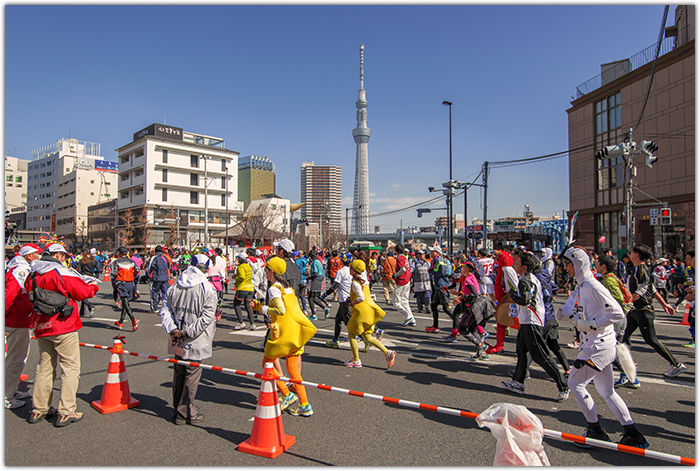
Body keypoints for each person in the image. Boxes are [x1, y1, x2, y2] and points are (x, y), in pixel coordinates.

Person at [558, 246, 649, 449]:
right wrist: (567, 316)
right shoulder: (582, 285)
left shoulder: (591, 285)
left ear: (578, 263)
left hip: (597, 346)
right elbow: (585, 314)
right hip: (597, 344)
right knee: (606, 391)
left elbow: (617, 313)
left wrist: (590, 325)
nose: (565, 268)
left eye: (567, 263)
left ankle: (596, 431)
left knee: (575, 384)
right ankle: (633, 434)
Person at [25, 243, 100, 426]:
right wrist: (93, 286)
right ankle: (67, 411)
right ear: (58, 255)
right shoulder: (61, 272)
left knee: (44, 366)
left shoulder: (33, 273)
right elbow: (82, 292)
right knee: (70, 367)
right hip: (63, 324)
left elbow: (29, 294)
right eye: (64, 256)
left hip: (41, 324)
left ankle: (39, 409)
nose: (65, 259)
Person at [251, 256, 317, 417]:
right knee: (293, 369)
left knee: (267, 363)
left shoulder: (274, 288)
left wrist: (262, 308)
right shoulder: (287, 287)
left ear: (271, 271)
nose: (265, 272)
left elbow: (280, 310)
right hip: (295, 333)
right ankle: (305, 404)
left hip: (283, 333)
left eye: (266, 269)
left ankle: (287, 395)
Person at [501, 250, 569, 402]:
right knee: (522, 352)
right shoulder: (531, 278)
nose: (515, 265)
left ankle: (563, 385)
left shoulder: (526, 280)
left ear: (525, 267)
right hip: (528, 320)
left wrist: (512, 294)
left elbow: (525, 300)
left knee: (541, 355)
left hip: (532, 320)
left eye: (517, 263)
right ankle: (518, 383)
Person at [159, 253, 218, 424]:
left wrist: (173, 329)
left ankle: (177, 406)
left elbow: (165, 309)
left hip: (177, 336)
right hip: (196, 338)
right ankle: (185, 411)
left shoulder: (175, 286)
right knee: (192, 374)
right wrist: (187, 332)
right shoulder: (207, 288)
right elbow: (207, 317)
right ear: (206, 268)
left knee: (179, 371)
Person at [621, 244, 686, 377]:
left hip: (643, 310)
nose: (629, 252)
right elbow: (653, 289)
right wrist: (665, 305)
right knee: (622, 337)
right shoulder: (637, 269)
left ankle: (676, 364)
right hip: (635, 311)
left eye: (632, 251)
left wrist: (628, 302)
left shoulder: (642, 269)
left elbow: (644, 288)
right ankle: (626, 366)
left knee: (651, 340)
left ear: (637, 255)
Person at [5, 243, 42, 409]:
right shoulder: (20, 270)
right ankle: (6, 394)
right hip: (17, 320)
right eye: (37, 254)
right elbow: (9, 294)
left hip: (20, 319)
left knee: (17, 357)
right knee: (15, 359)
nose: (39, 256)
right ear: (29, 256)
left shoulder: (19, 267)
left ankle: (10, 390)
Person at [344, 259, 396, 369]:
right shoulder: (364, 280)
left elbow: (361, 298)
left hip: (361, 313)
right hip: (370, 311)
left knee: (352, 335)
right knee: (367, 336)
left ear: (354, 271)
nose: (349, 269)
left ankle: (356, 360)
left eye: (351, 268)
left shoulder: (355, 283)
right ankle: (388, 352)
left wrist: (350, 303)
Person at [323, 253, 355, 348]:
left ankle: (365, 340)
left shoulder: (341, 272)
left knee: (349, 323)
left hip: (345, 300)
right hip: (347, 298)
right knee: (337, 320)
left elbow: (335, 286)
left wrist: (325, 294)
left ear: (342, 261)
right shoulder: (351, 271)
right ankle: (335, 340)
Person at [110, 246, 141, 331]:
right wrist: (132, 275)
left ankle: (133, 319)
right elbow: (137, 270)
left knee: (125, 302)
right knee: (125, 302)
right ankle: (120, 322)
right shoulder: (132, 261)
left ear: (119, 253)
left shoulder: (116, 262)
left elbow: (113, 273)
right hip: (130, 283)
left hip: (122, 282)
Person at [426, 246, 451, 332]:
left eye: (433, 251)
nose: (431, 253)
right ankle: (435, 326)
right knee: (433, 305)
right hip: (438, 286)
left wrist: (432, 271)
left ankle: (458, 326)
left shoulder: (439, 260)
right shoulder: (436, 260)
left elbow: (443, 272)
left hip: (441, 286)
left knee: (446, 308)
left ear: (437, 252)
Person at [392, 244, 415, 326]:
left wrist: (395, 275)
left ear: (396, 251)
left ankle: (407, 316)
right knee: (405, 301)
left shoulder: (400, 258)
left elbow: (403, 269)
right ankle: (412, 319)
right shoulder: (405, 258)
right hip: (407, 280)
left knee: (396, 302)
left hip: (401, 281)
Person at [233, 253, 257, 330]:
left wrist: (235, 277)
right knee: (248, 306)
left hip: (242, 288)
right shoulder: (249, 266)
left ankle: (241, 322)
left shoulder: (240, 267)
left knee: (236, 305)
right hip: (250, 288)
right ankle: (252, 323)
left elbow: (242, 277)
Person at [307, 249, 331, 320]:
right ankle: (324, 308)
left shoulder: (314, 262)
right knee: (315, 296)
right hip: (320, 279)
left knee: (310, 297)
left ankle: (314, 315)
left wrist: (308, 278)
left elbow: (315, 274)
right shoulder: (318, 262)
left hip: (316, 280)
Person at [146, 245, 171, 313]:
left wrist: (149, 274)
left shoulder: (154, 258)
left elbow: (151, 267)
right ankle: (167, 307)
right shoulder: (165, 258)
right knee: (165, 293)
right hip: (165, 277)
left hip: (157, 278)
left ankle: (155, 308)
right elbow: (169, 266)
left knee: (154, 293)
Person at [77, 250, 99, 318]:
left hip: (84, 278)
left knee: (81, 294)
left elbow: (79, 270)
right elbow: (98, 269)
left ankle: (90, 305)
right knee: (84, 294)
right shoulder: (93, 260)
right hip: (92, 278)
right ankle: (82, 312)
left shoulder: (82, 261)